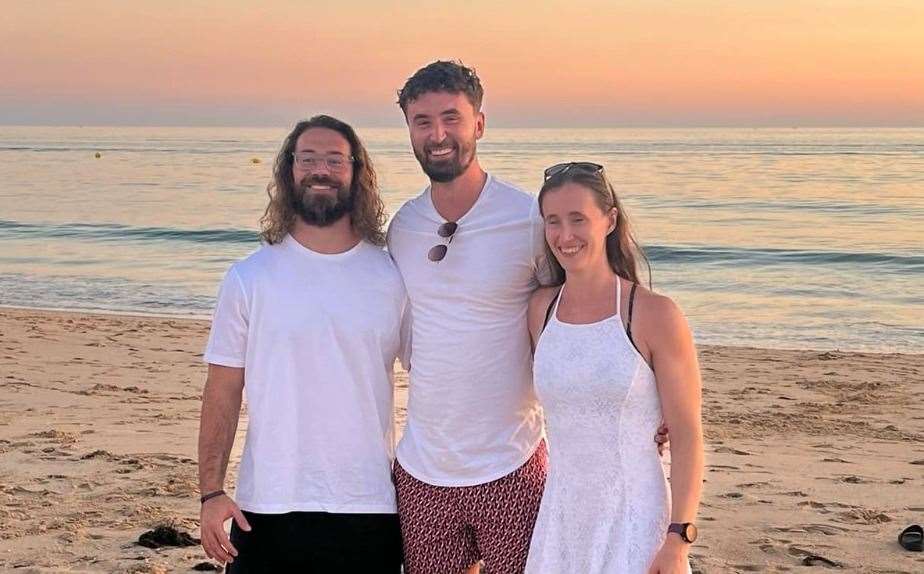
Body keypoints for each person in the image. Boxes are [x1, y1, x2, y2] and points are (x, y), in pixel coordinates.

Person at [387, 61, 668, 574]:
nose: (438, 134)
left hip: (512, 466)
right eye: (422, 121)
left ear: (480, 124)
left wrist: (652, 398)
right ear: (408, 128)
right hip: (422, 470)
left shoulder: (528, 218)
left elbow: (585, 308)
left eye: (452, 117)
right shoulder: (403, 227)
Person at [197, 115, 406, 572]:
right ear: (289, 171)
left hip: (368, 505)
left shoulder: (392, 276)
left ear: (356, 172)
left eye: (335, 159)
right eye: (308, 158)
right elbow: (223, 391)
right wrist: (211, 492)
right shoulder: (250, 278)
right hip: (268, 505)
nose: (321, 169)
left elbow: (436, 374)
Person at [524, 162, 704, 574]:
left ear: (609, 220)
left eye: (578, 219)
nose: (565, 235)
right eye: (553, 221)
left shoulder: (654, 314)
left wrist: (678, 539)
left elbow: (688, 434)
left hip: (635, 518)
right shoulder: (539, 310)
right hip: (561, 519)